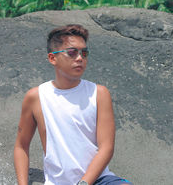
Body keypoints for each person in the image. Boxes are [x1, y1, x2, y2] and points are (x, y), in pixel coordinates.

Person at [14, 24, 132, 185]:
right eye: (72, 52)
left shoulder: (99, 94)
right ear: (52, 58)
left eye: (84, 53)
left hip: (99, 180)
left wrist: (84, 183)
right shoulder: (36, 97)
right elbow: (21, 146)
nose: (79, 58)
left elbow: (107, 148)